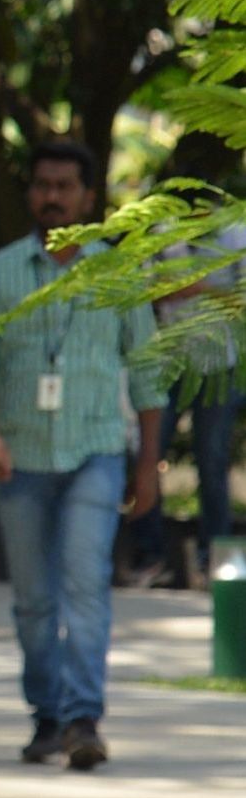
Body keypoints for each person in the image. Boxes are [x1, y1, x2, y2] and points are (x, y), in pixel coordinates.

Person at [0, 138, 162, 769]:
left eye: (64, 186)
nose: (52, 197)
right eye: (42, 185)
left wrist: (148, 463)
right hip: (19, 458)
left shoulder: (119, 271)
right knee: (33, 599)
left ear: (88, 197)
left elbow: (149, 371)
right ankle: (45, 713)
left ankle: (82, 718)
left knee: (85, 585)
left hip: (95, 451)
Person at [121, 142, 243, 587]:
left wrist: (198, 289)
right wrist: (178, 290)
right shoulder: (163, 235)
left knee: (212, 462)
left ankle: (216, 560)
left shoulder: (236, 234)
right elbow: (143, 294)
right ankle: (150, 555)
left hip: (219, 366)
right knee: (146, 454)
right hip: (170, 365)